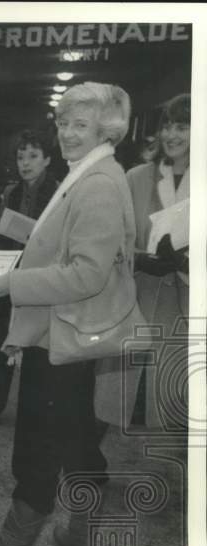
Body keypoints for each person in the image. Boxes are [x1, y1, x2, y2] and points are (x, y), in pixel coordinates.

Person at [0, 82, 135, 546]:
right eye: (62, 122)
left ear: (105, 129)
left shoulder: (97, 183)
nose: (66, 133)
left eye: (79, 124)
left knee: (39, 444)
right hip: (74, 336)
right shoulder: (91, 173)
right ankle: (79, 529)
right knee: (79, 437)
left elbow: (87, 273)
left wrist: (12, 283)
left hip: (64, 338)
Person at [89, 93, 190, 504]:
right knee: (111, 387)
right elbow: (111, 242)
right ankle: (88, 469)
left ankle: (184, 476)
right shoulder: (135, 178)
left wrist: (185, 263)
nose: (171, 134)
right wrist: (142, 260)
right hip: (136, 298)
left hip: (186, 305)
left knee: (183, 393)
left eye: (182, 126)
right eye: (167, 125)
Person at [0, 130, 60, 428]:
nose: (25, 163)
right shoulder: (11, 192)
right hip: (11, 275)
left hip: (40, 278)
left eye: (33, 156)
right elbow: (0, 234)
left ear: (48, 159)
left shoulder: (59, 192)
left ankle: (37, 411)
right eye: (20, 156)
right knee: (5, 340)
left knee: (39, 346)